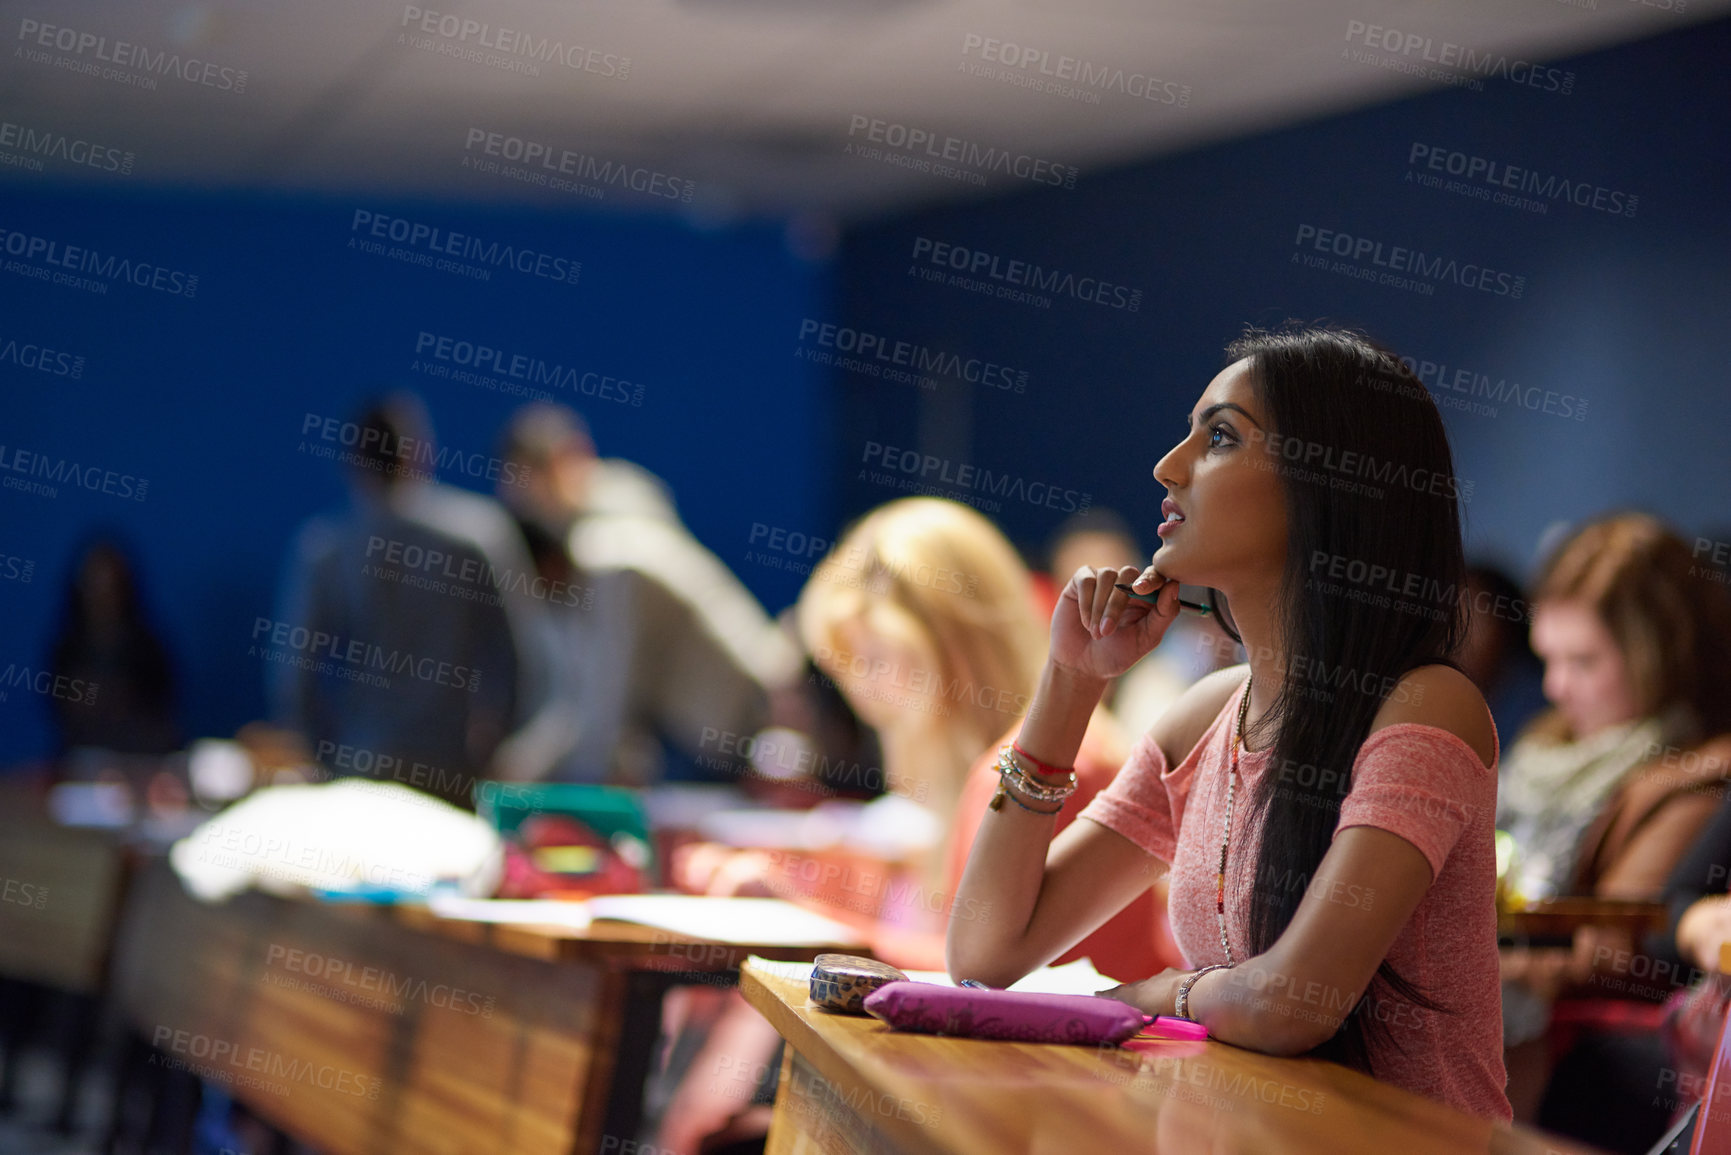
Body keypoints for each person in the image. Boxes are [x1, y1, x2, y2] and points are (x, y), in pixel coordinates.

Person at [948, 325, 1512, 1121]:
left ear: (1329, 484)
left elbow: (1293, 1001)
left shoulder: (1426, 705)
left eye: (1217, 437)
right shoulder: (1207, 715)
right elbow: (983, 952)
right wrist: (1070, 683)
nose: (1166, 467)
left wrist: (1154, 995)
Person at [654, 498, 1175, 1154]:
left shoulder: (1034, 776)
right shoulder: (1007, 770)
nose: (862, 694)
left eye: (871, 659)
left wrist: (813, 923)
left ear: (948, 645)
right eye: (846, 666)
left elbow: (1008, 989)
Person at [490, 404, 797, 784]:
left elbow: (601, 704)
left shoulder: (610, 551)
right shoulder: (620, 526)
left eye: (529, 485)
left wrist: (533, 781)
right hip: (739, 727)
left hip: (746, 737)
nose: (526, 505)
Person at [272, 395, 543, 808]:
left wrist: (329, 758)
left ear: (354, 464)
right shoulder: (481, 535)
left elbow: (293, 677)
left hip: (361, 768)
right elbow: (523, 658)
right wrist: (493, 749)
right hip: (453, 771)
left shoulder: (326, 548)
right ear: (421, 454)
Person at [46, 537, 180, 757]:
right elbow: (59, 705)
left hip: (143, 757)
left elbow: (162, 703)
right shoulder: (67, 647)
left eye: (110, 584)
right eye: (95, 583)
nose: (102, 594)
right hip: (81, 759)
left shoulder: (147, 646)